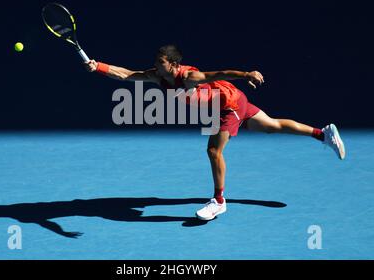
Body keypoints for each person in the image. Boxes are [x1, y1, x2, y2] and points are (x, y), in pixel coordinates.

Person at [84, 44, 346, 221]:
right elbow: (128, 74)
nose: (155, 65)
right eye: (156, 61)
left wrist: (247, 74)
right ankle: (322, 134)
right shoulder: (157, 76)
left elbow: (220, 72)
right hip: (233, 100)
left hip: (228, 106)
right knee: (272, 126)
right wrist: (99, 67)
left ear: (174, 65)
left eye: (160, 62)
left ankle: (219, 201)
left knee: (213, 151)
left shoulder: (191, 77)